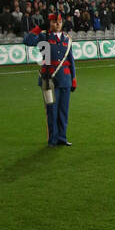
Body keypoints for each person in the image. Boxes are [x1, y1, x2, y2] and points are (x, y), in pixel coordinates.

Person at [23, 11, 76, 146]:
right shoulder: (43, 37)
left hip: (65, 79)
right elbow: (27, 41)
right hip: (49, 80)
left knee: (63, 111)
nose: (57, 25)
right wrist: (40, 27)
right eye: (53, 22)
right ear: (50, 23)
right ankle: (52, 139)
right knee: (52, 111)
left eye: (59, 22)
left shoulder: (67, 39)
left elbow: (71, 60)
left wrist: (73, 78)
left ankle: (62, 138)